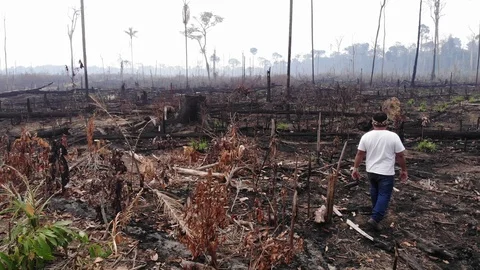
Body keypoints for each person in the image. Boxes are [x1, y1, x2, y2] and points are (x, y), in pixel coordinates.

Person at [351, 112, 408, 231]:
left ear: (373, 123)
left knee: (374, 191)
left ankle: (376, 211)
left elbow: (360, 154)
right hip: (386, 172)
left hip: (371, 171)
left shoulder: (366, 136)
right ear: (387, 122)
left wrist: (355, 168)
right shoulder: (393, 137)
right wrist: (404, 170)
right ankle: (375, 218)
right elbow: (400, 156)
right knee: (384, 194)